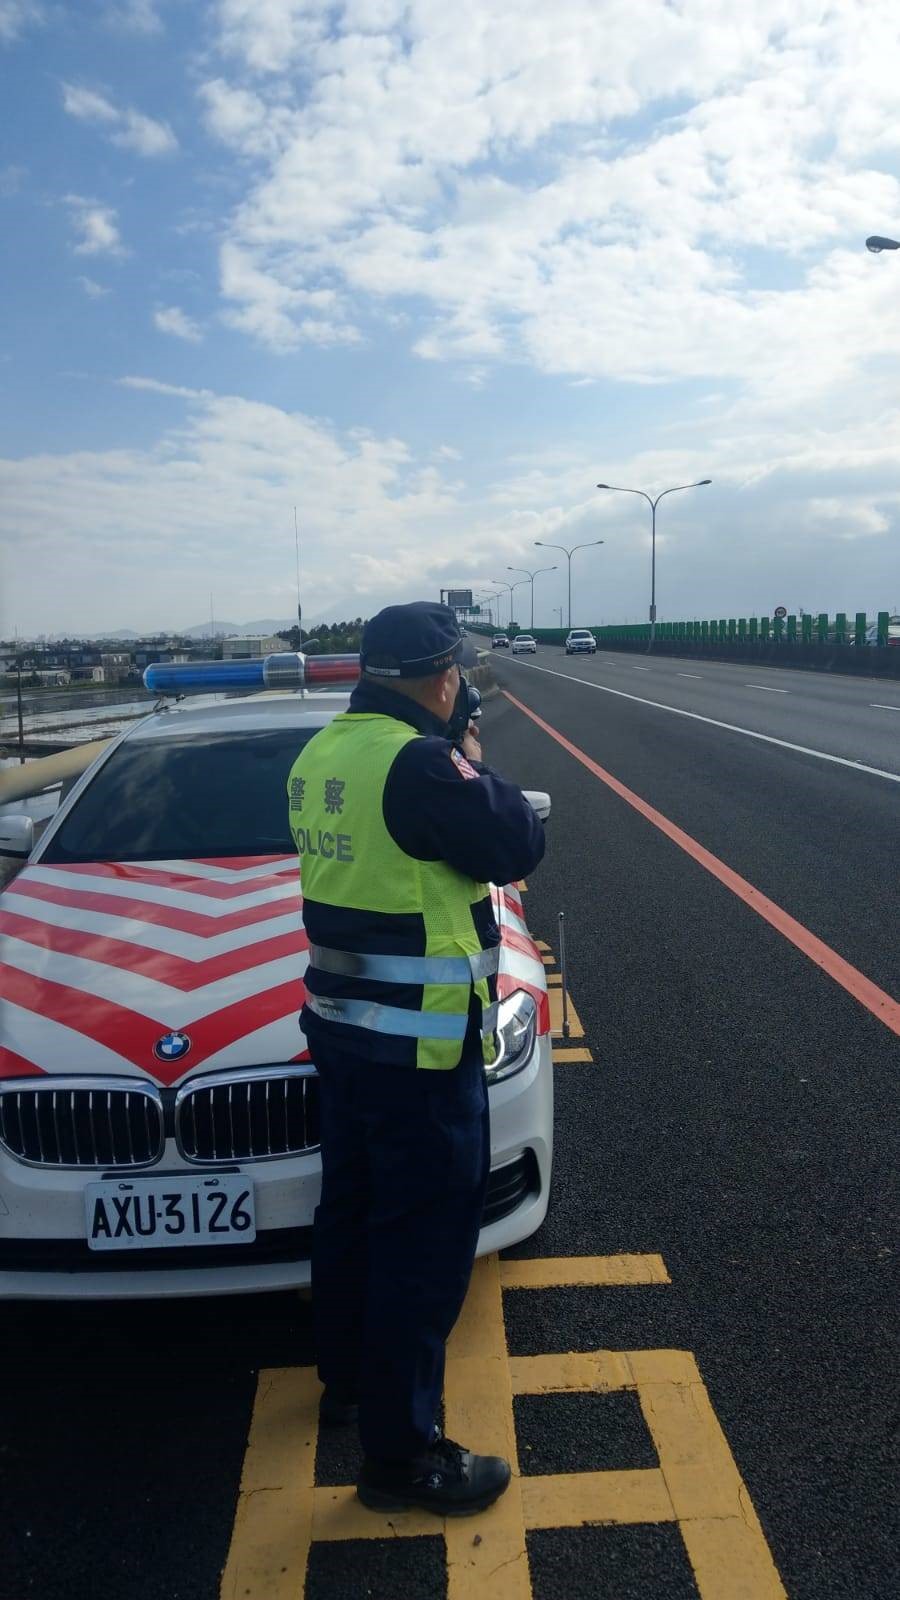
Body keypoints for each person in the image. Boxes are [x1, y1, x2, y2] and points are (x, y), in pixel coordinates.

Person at [286, 600, 546, 1516]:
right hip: (424, 1053)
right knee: (422, 1247)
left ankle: (350, 1382)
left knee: (351, 1216)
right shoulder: (425, 766)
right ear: (443, 678)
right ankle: (403, 1457)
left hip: (343, 1037)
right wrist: (471, 754)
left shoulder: (323, 754)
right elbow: (518, 841)